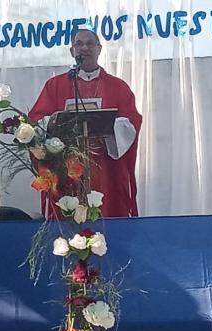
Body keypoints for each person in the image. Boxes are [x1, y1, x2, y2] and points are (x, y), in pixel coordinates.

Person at [28, 28, 143, 218]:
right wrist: (55, 122)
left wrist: (109, 124)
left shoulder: (118, 87)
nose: (84, 48)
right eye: (79, 44)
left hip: (104, 167)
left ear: (99, 49)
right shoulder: (55, 86)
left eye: (90, 43)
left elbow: (132, 122)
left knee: (106, 215)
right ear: (72, 51)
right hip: (66, 169)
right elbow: (37, 122)